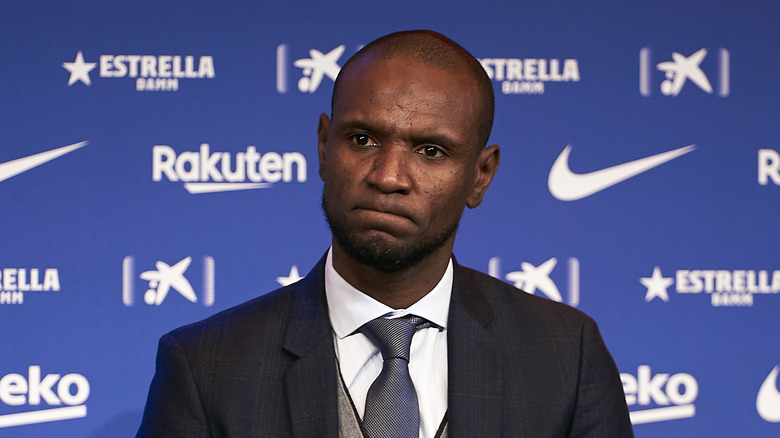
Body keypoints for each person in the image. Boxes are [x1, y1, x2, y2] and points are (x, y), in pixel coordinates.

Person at [137, 30, 633, 437]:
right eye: (362, 139)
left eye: (431, 151)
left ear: (480, 176)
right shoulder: (206, 366)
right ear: (323, 146)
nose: (389, 175)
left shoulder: (567, 355)